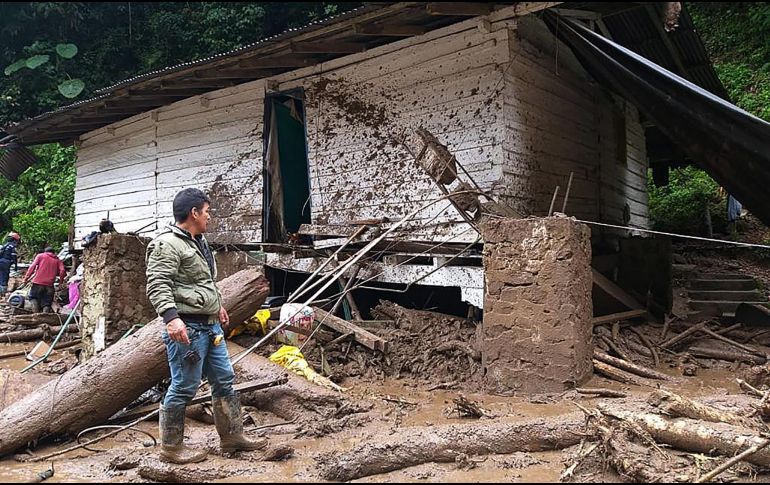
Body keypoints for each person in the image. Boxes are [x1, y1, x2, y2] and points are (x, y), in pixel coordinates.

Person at [146, 188, 266, 464]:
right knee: (184, 386)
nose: (209, 216)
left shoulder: (198, 242)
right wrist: (171, 318)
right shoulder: (167, 244)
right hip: (188, 328)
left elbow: (204, 282)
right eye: (207, 211)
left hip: (210, 327)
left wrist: (217, 305)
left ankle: (233, 436)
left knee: (224, 378)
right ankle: (171, 448)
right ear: (194, 213)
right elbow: (158, 284)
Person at [22, 246, 66, 313]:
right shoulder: (57, 260)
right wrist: (60, 282)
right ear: (54, 253)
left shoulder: (40, 256)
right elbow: (62, 271)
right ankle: (44, 315)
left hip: (37, 282)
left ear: (45, 252)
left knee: (33, 298)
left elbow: (32, 266)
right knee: (47, 303)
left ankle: (36, 314)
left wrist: (26, 278)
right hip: (49, 285)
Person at [0, 232, 19, 296]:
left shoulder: (4, 245)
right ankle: (3, 293)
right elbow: (14, 256)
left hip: (1, 261)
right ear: (15, 239)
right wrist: (16, 265)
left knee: (1, 276)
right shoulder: (13, 246)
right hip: (6, 263)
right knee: (5, 277)